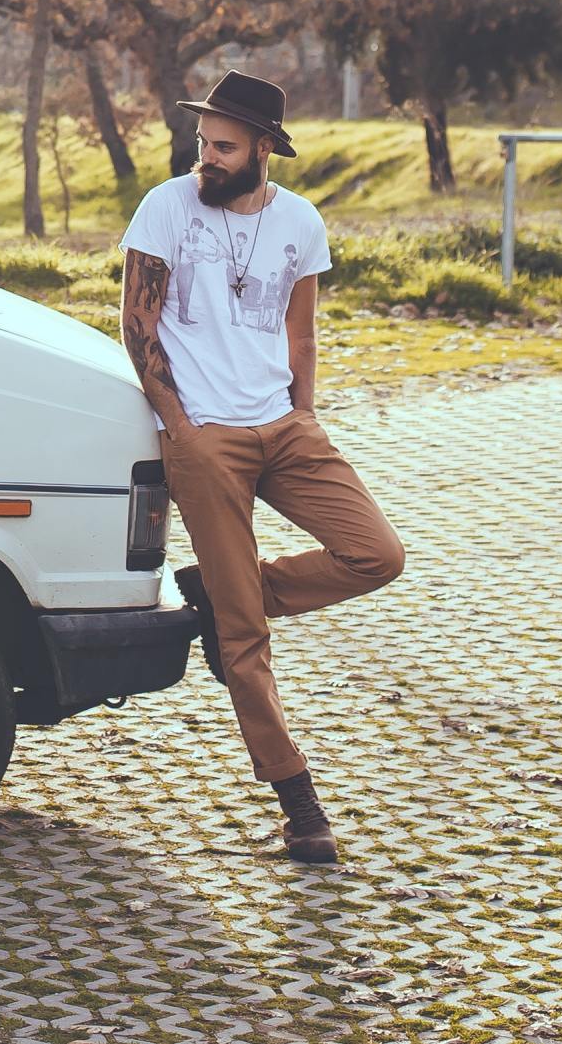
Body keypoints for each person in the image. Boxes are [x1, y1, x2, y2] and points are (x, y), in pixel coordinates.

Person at [119, 71, 405, 864]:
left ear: (264, 151)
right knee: (245, 640)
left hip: (283, 426)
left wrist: (303, 412)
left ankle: (226, 588)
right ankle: (300, 805)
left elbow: (302, 332)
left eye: (223, 146)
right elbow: (135, 321)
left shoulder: (300, 222)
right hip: (205, 436)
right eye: (202, 142)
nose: (204, 157)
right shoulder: (165, 207)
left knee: (377, 553)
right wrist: (180, 426)